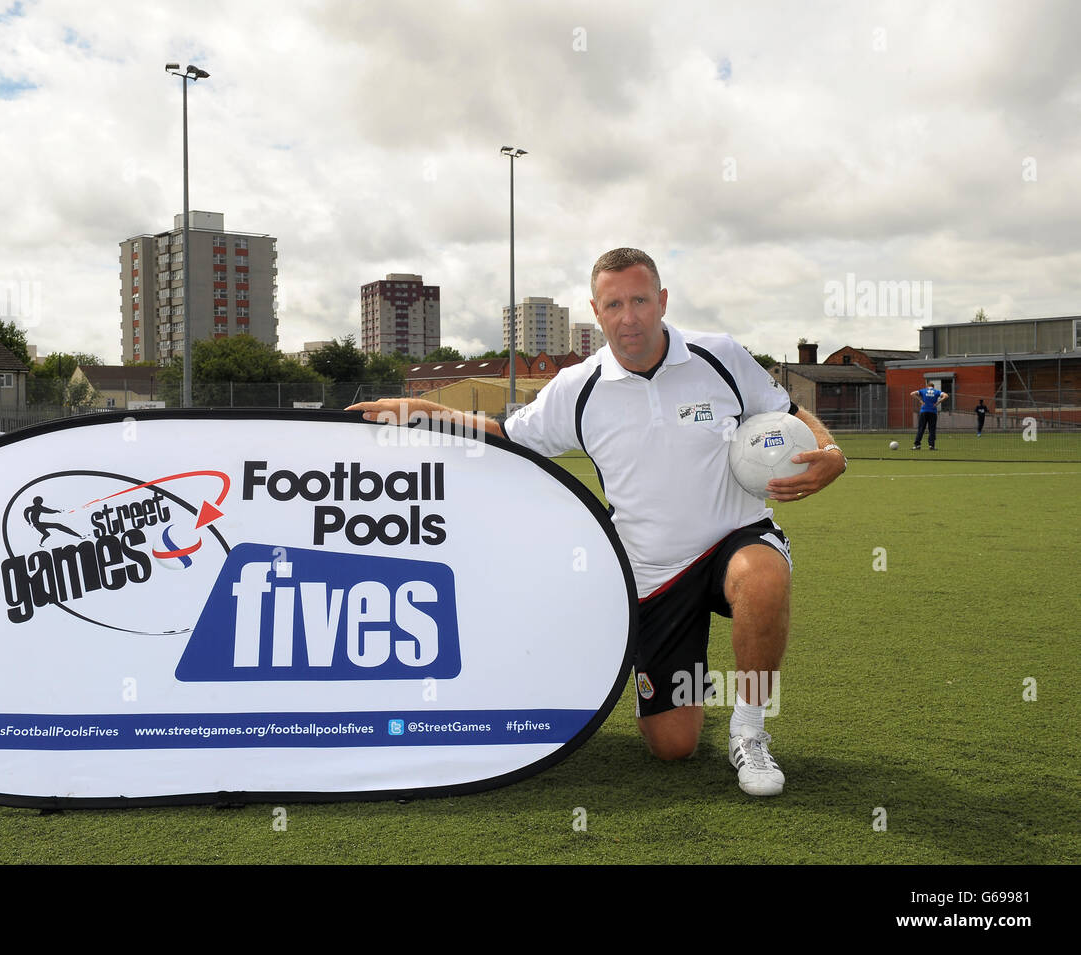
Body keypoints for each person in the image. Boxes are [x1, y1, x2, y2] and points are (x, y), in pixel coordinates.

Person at [350, 248, 846, 796]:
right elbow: (505, 434)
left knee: (764, 577)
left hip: (736, 536)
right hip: (654, 573)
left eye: (639, 300)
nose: (628, 316)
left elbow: (790, 414)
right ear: (596, 309)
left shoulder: (720, 356)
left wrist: (832, 452)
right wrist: (420, 414)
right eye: (614, 304)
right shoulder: (578, 387)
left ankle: (749, 732)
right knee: (673, 746)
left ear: (662, 301)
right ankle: (690, 691)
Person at [910, 383, 947, 449]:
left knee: (921, 428)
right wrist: (938, 402)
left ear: (927, 386)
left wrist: (920, 400)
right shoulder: (937, 391)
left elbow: (912, 393)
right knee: (932, 429)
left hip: (924, 411)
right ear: (933, 387)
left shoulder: (923, 390)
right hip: (933, 412)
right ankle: (931, 446)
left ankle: (917, 445)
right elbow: (946, 396)